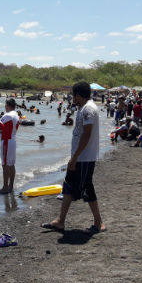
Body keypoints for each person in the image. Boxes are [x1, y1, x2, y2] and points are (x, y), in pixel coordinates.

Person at [42, 81, 105, 234]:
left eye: (73, 96)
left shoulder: (88, 109)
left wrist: (75, 157)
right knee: (68, 186)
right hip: (79, 157)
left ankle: (98, 222)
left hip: (84, 157)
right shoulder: (84, 108)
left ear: (78, 95)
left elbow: (87, 133)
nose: (72, 99)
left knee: (87, 188)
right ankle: (60, 221)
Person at [0, 98, 19, 194]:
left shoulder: (7, 115)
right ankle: (11, 186)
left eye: (5, 105)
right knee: (11, 164)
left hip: (6, 140)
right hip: (13, 139)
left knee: (5, 164)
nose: (5, 107)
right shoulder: (16, 115)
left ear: (8, 106)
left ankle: (5, 187)